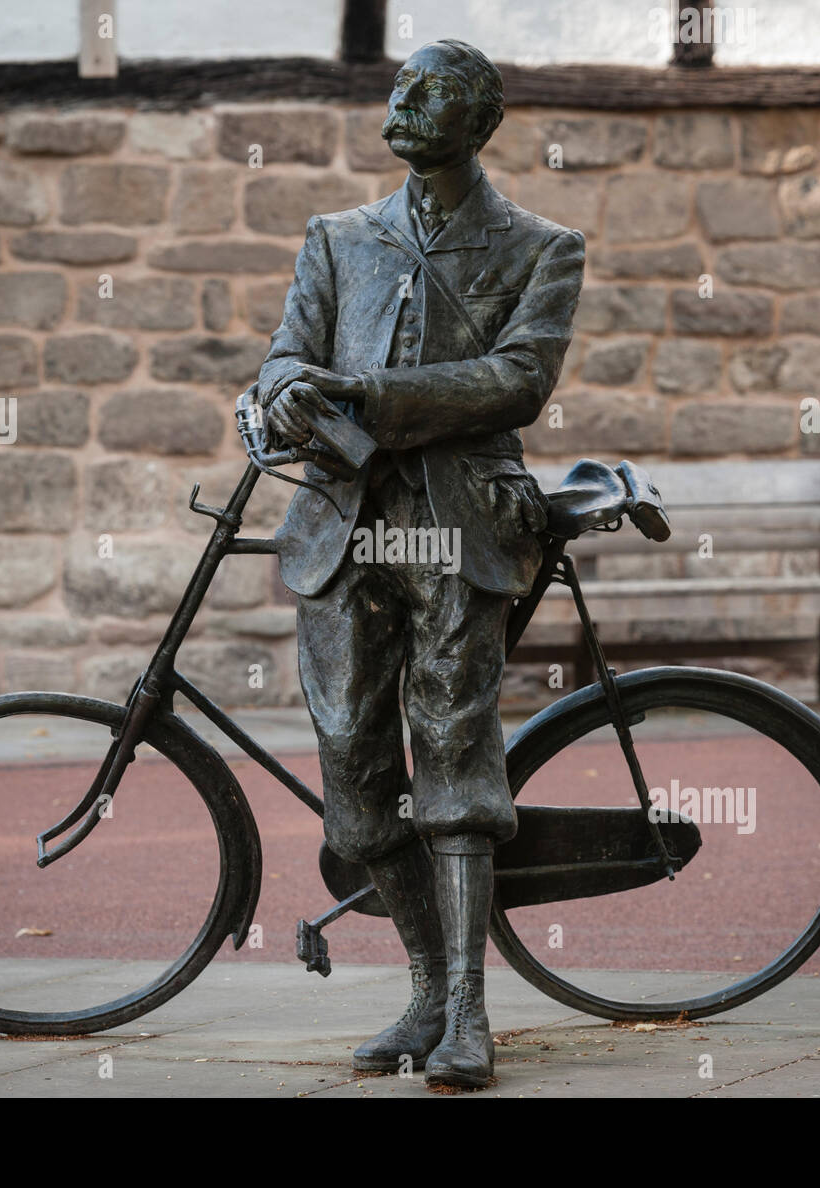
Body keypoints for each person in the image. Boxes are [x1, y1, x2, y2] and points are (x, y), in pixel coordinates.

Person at [256, 38, 585, 1087]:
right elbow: (280, 358)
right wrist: (287, 395)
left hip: (457, 528)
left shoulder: (540, 245)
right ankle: (425, 987)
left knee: (455, 763)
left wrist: (372, 399)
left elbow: (518, 380)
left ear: (483, 120)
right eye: (399, 82)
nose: (403, 99)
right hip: (341, 526)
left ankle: (467, 1015)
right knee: (353, 791)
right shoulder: (337, 237)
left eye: (432, 87)